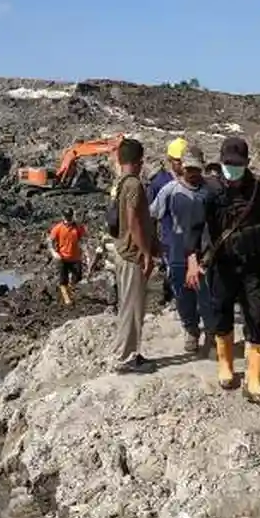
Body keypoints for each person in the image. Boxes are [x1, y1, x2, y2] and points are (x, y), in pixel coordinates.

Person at [185, 136, 260, 405]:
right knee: (221, 313)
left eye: (238, 164)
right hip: (223, 265)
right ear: (221, 161)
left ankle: (254, 380)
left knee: (255, 317)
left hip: (252, 265)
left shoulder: (257, 188)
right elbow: (196, 228)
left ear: (247, 163)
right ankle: (226, 366)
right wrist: (192, 260)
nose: (233, 169)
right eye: (228, 164)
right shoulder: (210, 190)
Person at [150, 146, 213, 354]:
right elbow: (153, 215)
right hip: (177, 250)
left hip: (205, 252)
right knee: (183, 295)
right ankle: (191, 330)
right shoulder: (170, 190)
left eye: (196, 170)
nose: (193, 174)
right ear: (182, 167)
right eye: (189, 169)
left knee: (207, 295)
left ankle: (212, 332)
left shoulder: (209, 191)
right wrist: (155, 245)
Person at [110, 138, 158, 374]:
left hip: (122, 250)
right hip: (131, 254)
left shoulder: (119, 183)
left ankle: (128, 352)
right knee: (132, 306)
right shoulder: (133, 185)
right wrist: (146, 253)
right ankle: (125, 357)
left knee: (129, 304)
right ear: (140, 160)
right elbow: (133, 221)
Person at [148, 137, 189, 306]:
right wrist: (152, 242)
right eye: (179, 161)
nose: (182, 165)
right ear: (170, 161)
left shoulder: (192, 179)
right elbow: (151, 215)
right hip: (170, 238)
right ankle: (175, 302)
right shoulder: (159, 182)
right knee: (175, 272)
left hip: (190, 237)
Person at [47, 209, 88, 306]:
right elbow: (49, 241)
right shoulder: (58, 228)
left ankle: (68, 290)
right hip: (63, 257)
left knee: (78, 277)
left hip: (75, 257)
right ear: (63, 217)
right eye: (66, 217)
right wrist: (54, 252)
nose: (68, 219)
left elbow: (84, 238)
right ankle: (66, 299)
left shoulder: (77, 227)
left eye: (70, 217)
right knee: (63, 279)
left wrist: (86, 252)